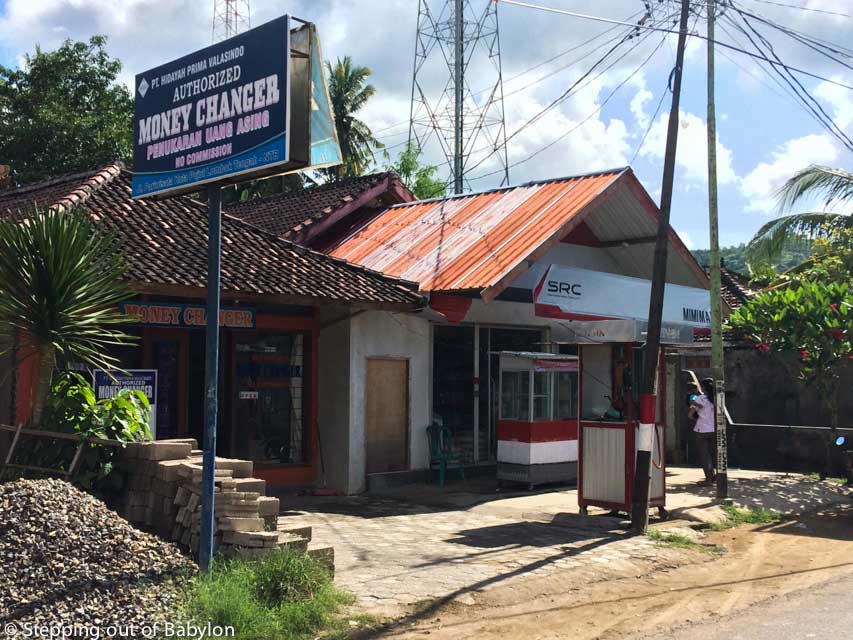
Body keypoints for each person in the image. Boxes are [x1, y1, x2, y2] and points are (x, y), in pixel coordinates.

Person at [688, 378, 716, 486]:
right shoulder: (716, 399)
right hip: (714, 430)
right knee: (711, 454)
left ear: (703, 388)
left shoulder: (699, 399)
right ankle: (713, 476)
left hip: (702, 430)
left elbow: (690, 414)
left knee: (704, 455)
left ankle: (708, 479)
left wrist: (697, 419)